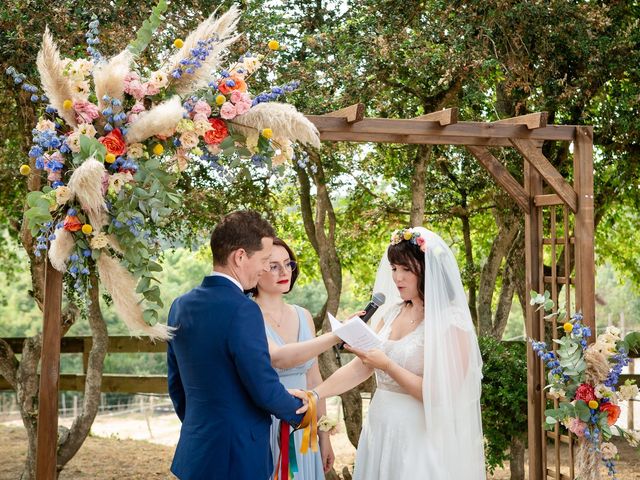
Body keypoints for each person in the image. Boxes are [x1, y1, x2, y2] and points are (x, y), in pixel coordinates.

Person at [313, 227, 486, 480]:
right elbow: (362, 367)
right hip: (380, 427)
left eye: (406, 269)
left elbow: (440, 394)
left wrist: (388, 366)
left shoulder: (452, 322)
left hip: (419, 435)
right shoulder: (392, 312)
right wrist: (315, 394)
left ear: (427, 271)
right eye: (394, 268)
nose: (397, 278)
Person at [167, 211, 310, 480]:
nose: (265, 269)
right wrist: (302, 412)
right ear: (240, 256)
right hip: (239, 456)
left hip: (195, 451)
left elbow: (176, 386)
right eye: (265, 260)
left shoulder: (180, 305)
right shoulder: (244, 309)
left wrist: (203, 427)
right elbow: (262, 386)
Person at [252, 238, 335, 478]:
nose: (284, 271)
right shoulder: (248, 314)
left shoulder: (303, 315)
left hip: (304, 429)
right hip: (266, 424)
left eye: (288, 264)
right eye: (274, 265)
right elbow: (277, 359)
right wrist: (336, 335)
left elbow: (314, 379)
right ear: (257, 270)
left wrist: (324, 434)